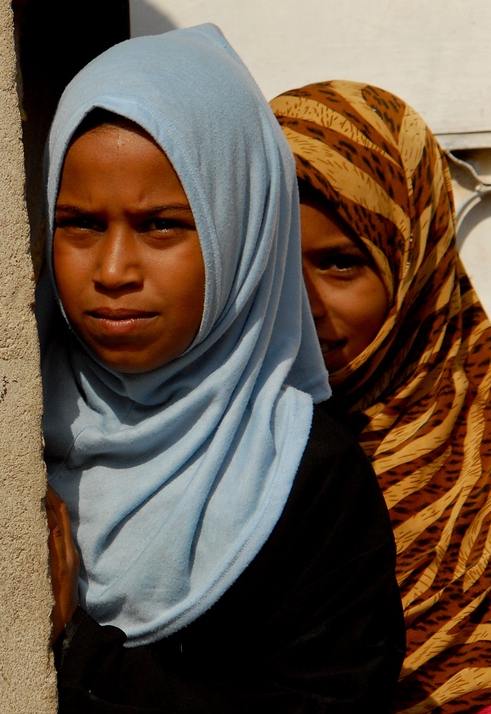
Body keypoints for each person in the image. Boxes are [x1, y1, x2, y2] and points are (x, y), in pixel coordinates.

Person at [38, 26, 404, 712]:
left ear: (240, 230)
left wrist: (78, 651)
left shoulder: (303, 476)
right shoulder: (6, 430)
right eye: (80, 224)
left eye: (162, 226)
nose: (113, 271)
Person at [271, 80, 491, 713]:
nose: (304, 306)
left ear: (417, 269)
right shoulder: (215, 483)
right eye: (275, 265)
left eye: (342, 264)